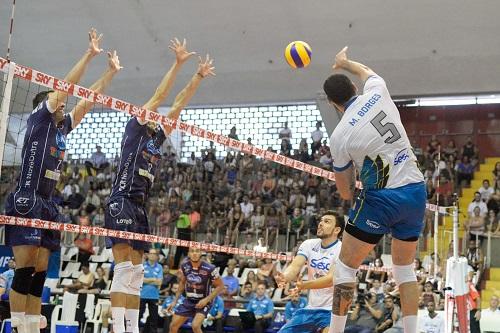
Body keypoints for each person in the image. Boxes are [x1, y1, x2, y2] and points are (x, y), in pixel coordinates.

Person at [3, 29, 121, 333]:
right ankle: (19, 327)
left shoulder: (60, 128)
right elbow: (67, 88)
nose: (64, 107)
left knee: (40, 270)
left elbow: (87, 102)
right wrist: (89, 55)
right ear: (46, 105)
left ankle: (30, 325)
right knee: (25, 267)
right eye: (59, 103)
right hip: (27, 199)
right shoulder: (39, 119)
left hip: (48, 204)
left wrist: (109, 73)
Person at [105, 39, 215, 333]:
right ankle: (119, 328)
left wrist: (198, 76)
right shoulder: (136, 127)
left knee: (137, 272)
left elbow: (177, 104)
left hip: (140, 208)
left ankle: (129, 328)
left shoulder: (156, 140)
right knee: (125, 268)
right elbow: (161, 94)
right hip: (122, 201)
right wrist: (179, 63)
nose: (158, 116)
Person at [323, 47, 426, 333]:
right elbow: (366, 70)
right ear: (355, 87)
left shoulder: (339, 136)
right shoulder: (378, 91)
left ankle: (335, 331)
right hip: (415, 190)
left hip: (381, 199)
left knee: (345, 268)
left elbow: (345, 193)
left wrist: (354, 171)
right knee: (404, 270)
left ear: (332, 103)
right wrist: (344, 62)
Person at [274, 211, 344, 332]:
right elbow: (295, 266)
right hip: (310, 309)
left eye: (326, 221)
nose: (320, 224)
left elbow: (330, 279)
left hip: (331, 312)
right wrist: (284, 277)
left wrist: (304, 285)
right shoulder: (308, 244)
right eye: (321, 221)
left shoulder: (342, 249)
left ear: (336, 230)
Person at [167, 247, 224, 333]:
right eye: (192, 251)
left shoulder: (210, 268)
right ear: (188, 254)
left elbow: (220, 286)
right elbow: (182, 283)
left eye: (197, 251)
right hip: (189, 300)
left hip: (203, 301)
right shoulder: (184, 266)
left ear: (201, 253)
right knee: (173, 326)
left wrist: (206, 300)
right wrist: (175, 301)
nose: (194, 253)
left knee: (195, 326)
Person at [139, 249, 162, 332]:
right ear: (147, 255)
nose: (152, 255)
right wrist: (153, 279)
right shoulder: (142, 265)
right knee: (138, 315)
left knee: (154, 318)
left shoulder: (160, 267)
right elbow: (140, 280)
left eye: (154, 254)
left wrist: (146, 279)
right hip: (142, 295)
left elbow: (159, 282)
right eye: (150, 253)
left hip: (154, 296)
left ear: (157, 256)